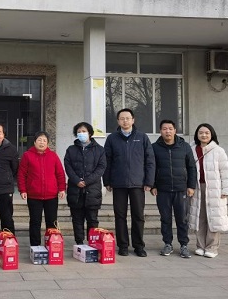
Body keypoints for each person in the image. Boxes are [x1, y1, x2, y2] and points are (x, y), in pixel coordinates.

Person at [103, 108, 155, 257]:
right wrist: (107, 181)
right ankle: (123, 245)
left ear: (133, 120)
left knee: (138, 215)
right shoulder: (112, 138)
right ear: (118, 121)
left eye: (127, 118)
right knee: (120, 215)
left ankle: (139, 246)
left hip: (138, 183)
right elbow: (107, 161)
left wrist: (149, 181)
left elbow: (150, 161)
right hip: (118, 183)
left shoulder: (142, 137)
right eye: (122, 118)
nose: (125, 121)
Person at [151, 119, 197, 258]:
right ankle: (167, 244)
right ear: (160, 131)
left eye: (170, 128)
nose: (168, 131)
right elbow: (151, 167)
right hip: (162, 189)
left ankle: (184, 245)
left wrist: (191, 186)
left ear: (175, 130)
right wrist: (153, 185)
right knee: (165, 218)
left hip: (181, 189)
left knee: (182, 219)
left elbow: (191, 167)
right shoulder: (154, 147)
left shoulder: (185, 147)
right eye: (164, 129)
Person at [189, 123, 228, 258]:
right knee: (199, 217)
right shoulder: (192, 149)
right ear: (197, 135)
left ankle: (212, 247)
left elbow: (225, 172)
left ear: (211, 134)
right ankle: (200, 246)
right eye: (201, 133)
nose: (204, 135)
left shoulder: (218, 151)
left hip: (214, 189)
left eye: (207, 133)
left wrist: (226, 189)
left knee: (213, 218)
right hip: (197, 188)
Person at [18, 131, 66, 246]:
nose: (42, 142)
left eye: (44, 140)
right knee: (35, 222)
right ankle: (35, 246)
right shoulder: (27, 155)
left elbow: (60, 173)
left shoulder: (53, 156)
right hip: (34, 195)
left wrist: (62, 188)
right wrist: (23, 190)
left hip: (51, 196)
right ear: (34, 142)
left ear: (48, 143)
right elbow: (21, 174)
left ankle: (52, 244)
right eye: (39, 140)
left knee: (52, 222)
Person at [64, 122, 106, 245]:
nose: (81, 134)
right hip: (75, 190)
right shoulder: (71, 149)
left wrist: (86, 181)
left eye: (84, 131)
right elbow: (68, 166)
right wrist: (77, 180)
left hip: (92, 190)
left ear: (90, 133)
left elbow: (101, 168)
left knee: (92, 219)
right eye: (79, 132)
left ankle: (93, 243)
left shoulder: (99, 150)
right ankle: (79, 243)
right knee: (77, 219)